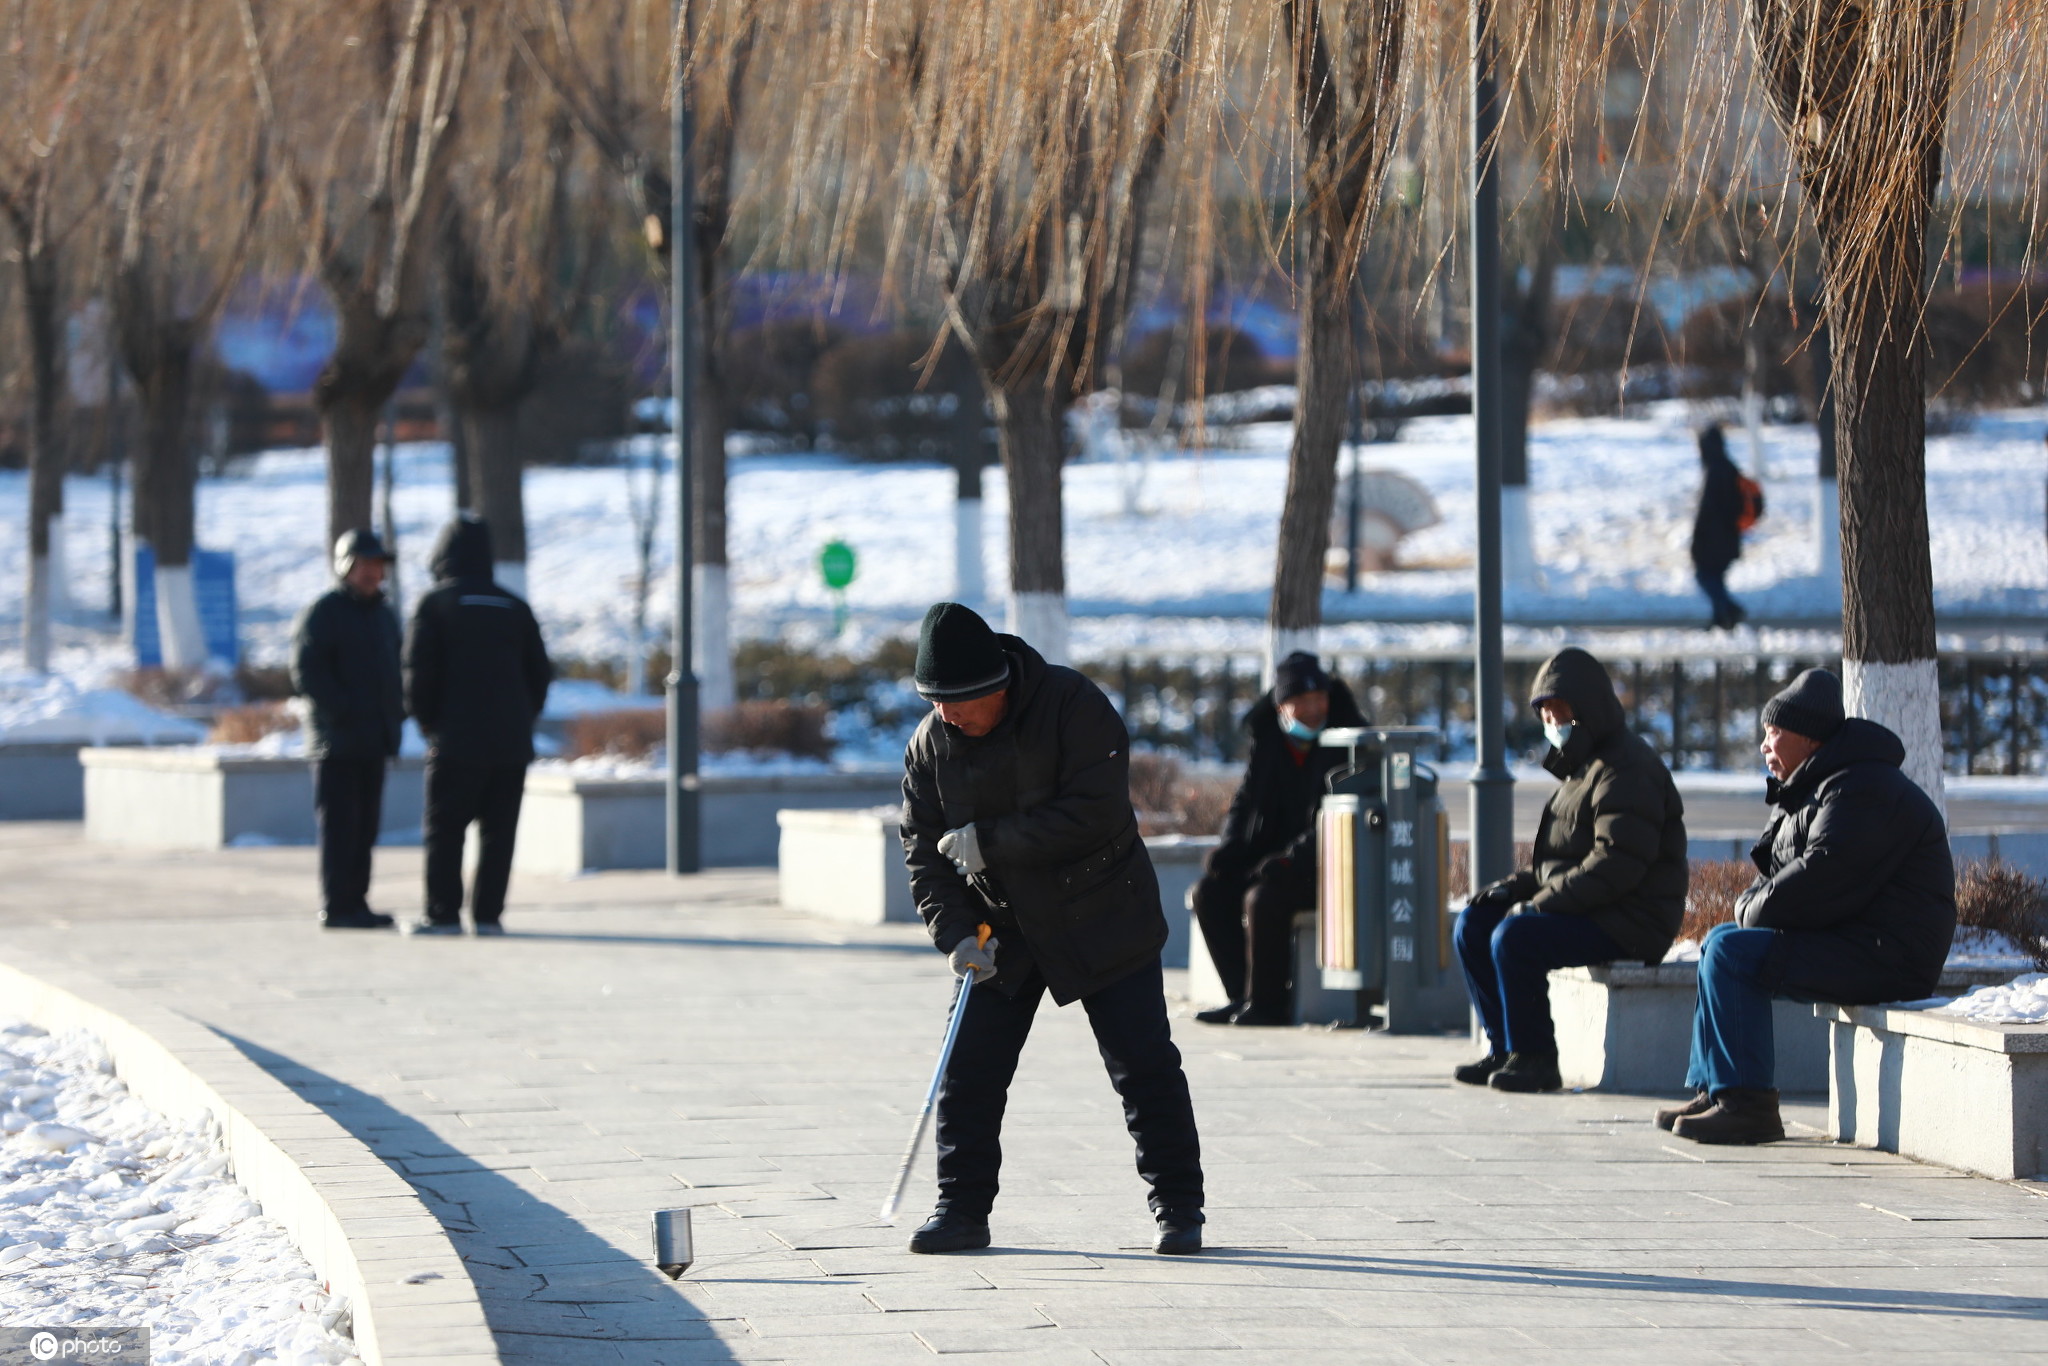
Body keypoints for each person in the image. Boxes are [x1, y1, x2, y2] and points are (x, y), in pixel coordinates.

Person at [899, 602, 1205, 1256]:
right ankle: (960, 1209)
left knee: (1143, 1065)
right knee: (969, 1069)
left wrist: (993, 843)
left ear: (996, 686)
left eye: (958, 700)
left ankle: (1179, 1207)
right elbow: (922, 847)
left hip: (1101, 912)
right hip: (1000, 928)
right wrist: (954, 932)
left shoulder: (1072, 705)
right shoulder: (932, 742)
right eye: (935, 700)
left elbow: (1095, 813)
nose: (947, 713)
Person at [1662, 670, 1956, 1144]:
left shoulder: (1863, 788)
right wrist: (1750, 908)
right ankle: (1717, 1088)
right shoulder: (1820, 786)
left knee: (1732, 953)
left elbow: (1824, 878)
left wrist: (1752, 909)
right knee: (1720, 940)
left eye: (1773, 732)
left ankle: (1748, 1106)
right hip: (1857, 938)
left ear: (1808, 738)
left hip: (1890, 954)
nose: (1764, 745)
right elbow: (1786, 880)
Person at [1453, 647, 1688, 1092]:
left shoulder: (1627, 769)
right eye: (1544, 716)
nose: (1552, 725)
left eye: (1559, 713)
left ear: (1588, 710)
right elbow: (1557, 865)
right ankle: (1505, 1047)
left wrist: (1538, 905)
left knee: (1516, 937)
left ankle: (1537, 1057)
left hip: (1631, 918)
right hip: (1596, 907)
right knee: (1475, 924)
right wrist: (1512, 889)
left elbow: (1617, 865)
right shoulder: (1583, 769)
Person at [1189, 652, 1366, 1026]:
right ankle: (1241, 995)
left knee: (1263, 900)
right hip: (1272, 860)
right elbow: (1246, 800)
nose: (1313, 709)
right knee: (1210, 891)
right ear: (1282, 706)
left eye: (1319, 699)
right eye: (1301, 703)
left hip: (1327, 864)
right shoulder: (1268, 738)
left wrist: (1290, 858)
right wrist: (1230, 847)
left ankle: (1269, 1005)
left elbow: (1337, 817)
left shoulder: (1351, 739)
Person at [402, 516, 552, 937]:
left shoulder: (435, 606)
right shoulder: (514, 607)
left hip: (456, 741)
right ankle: (488, 915)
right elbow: (540, 674)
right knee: (498, 832)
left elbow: (418, 673)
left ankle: (443, 914)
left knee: (445, 830)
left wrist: (430, 724)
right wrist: (522, 718)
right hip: (510, 743)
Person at [292, 530, 406, 930]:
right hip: (336, 743)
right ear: (346, 567)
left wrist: (395, 718)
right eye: (365, 564)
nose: (373, 572)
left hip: (374, 740)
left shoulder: (384, 615)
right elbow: (307, 672)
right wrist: (343, 711)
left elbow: (395, 672)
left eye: (378, 565)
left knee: (366, 827)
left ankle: (358, 901)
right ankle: (338, 904)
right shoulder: (324, 613)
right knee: (341, 827)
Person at [1690, 424, 1751, 630]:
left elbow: (1708, 509)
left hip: (1714, 539)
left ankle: (1730, 610)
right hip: (1728, 537)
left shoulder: (1715, 470)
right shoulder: (1728, 467)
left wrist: (1698, 537)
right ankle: (1720, 619)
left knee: (1705, 576)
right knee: (1715, 577)